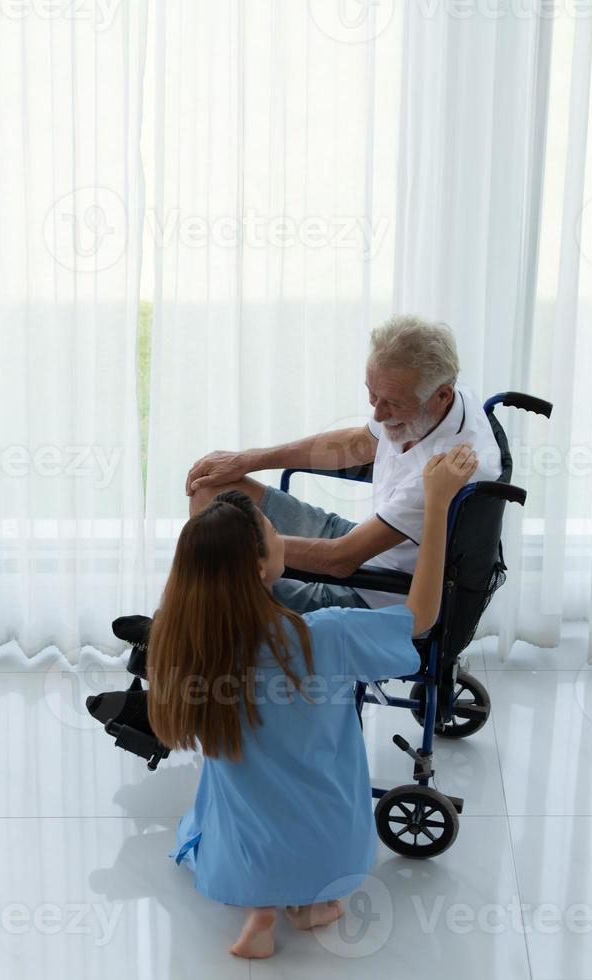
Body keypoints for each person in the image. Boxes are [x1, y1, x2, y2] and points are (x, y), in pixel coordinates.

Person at [148, 443, 479, 959]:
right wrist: (436, 506)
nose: (283, 536)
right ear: (262, 568)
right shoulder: (323, 636)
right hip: (331, 855)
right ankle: (314, 904)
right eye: (274, 532)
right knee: (318, 839)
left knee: (223, 799)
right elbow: (422, 616)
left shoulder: (185, 640)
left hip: (240, 859)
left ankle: (260, 913)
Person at [184, 315, 500, 612]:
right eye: (372, 395)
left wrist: (242, 546)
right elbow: (361, 443)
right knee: (211, 491)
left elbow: (340, 561)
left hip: (371, 591)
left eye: (391, 403)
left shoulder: (443, 469)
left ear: (441, 395)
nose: (377, 414)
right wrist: (248, 460)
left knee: (218, 579)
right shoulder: (443, 399)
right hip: (368, 539)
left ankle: (192, 648)